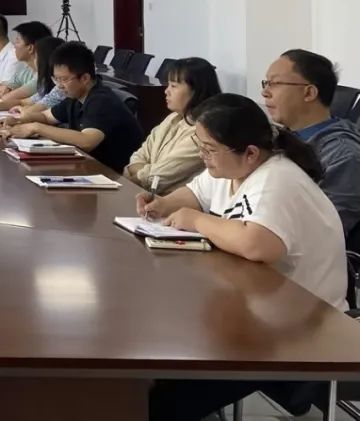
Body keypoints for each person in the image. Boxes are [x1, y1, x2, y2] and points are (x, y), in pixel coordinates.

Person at [144, 94, 347, 421]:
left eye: (209, 149)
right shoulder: (230, 167)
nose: (203, 156)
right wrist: (163, 204)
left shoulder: (278, 179)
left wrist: (196, 220)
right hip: (255, 313)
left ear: (250, 153)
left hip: (300, 328)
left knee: (160, 400)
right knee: (160, 357)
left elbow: (257, 244)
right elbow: (195, 193)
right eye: (200, 146)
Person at [263, 49, 360, 251]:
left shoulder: (342, 154)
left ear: (309, 93)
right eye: (266, 83)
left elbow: (324, 233)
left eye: (275, 83)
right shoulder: (277, 138)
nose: (265, 92)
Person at [2, 41, 143, 172]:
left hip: (116, 175)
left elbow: (86, 141)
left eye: (64, 79)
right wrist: (20, 120)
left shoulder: (101, 101)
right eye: (56, 79)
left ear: (85, 78)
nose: (59, 86)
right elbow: (46, 116)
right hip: (89, 168)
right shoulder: (75, 97)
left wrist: (35, 127)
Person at [124, 58, 221, 193]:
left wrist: (140, 173)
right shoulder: (173, 118)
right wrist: (142, 171)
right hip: (149, 196)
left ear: (196, 91)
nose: (166, 91)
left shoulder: (203, 133)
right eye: (168, 85)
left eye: (173, 86)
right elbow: (138, 157)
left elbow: (155, 179)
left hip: (172, 202)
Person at [0, 21, 52, 100]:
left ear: (30, 48)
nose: (14, 45)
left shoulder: (42, 75)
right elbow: (0, 87)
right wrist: (8, 89)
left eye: (18, 41)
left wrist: (8, 91)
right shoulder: (24, 69)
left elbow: (7, 98)